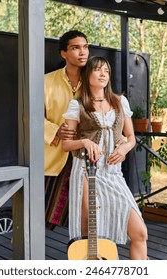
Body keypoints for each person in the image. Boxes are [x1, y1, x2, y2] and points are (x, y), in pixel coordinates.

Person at [62, 56, 148, 260]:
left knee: (140, 232)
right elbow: (66, 144)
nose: (103, 74)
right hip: (86, 173)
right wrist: (84, 142)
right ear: (87, 74)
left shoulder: (119, 102)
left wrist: (125, 148)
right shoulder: (77, 105)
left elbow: (131, 137)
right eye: (98, 70)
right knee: (90, 235)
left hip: (112, 173)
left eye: (106, 71)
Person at [44, 30, 89, 229]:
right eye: (75, 48)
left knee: (85, 217)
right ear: (64, 53)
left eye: (85, 47)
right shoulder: (45, 82)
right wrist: (56, 131)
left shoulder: (94, 82)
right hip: (54, 158)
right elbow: (31, 116)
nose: (82, 52)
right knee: (42, 217)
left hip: (87, 157)